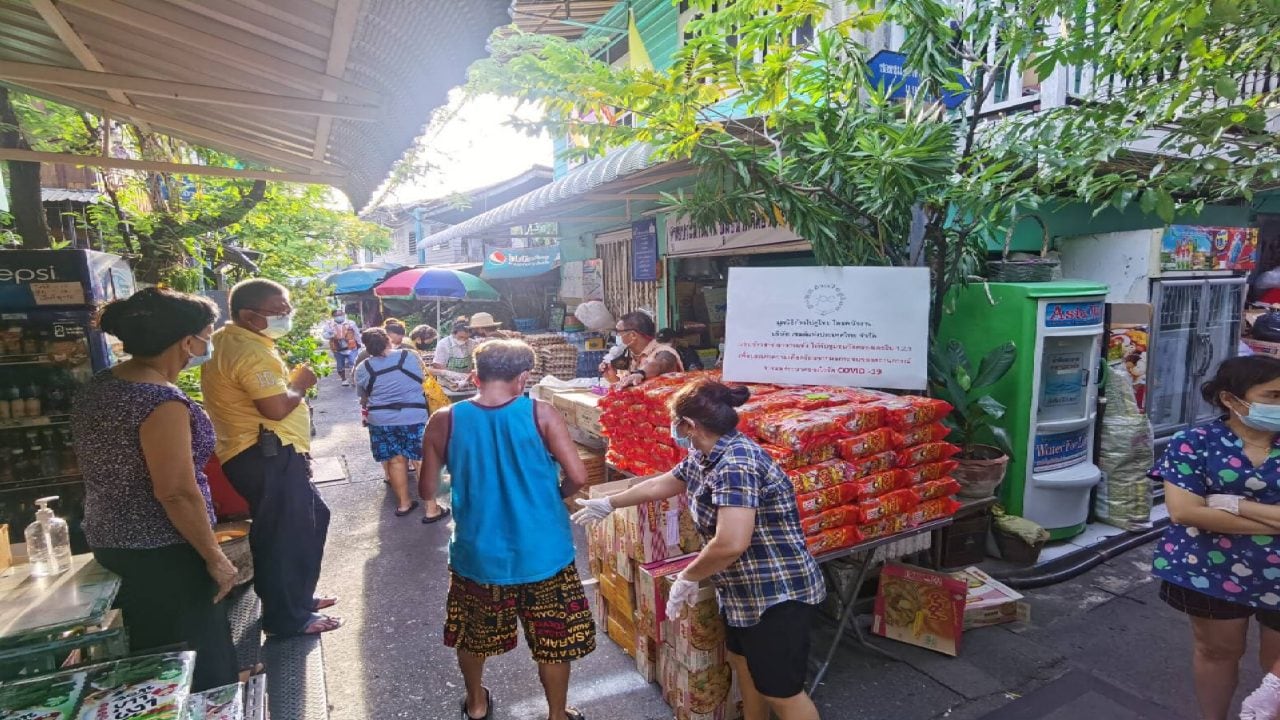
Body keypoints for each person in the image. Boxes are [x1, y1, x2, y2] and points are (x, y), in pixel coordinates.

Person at [573, 379, 825, 720]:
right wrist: (610, 502)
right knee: (745, 668)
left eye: (675, 422)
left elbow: (731, 542)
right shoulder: (707, 455)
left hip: (776, 594)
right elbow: (663, 483)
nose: (672, 429)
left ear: (689, 425)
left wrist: (688, 577)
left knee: (782, 693)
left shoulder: (736, 464)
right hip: (742, 592)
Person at [72, 287, 238, 691]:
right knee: (196, 658)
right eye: (207, 335)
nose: (207, 344)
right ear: (186, 341)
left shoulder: (101, 385)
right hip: (164, 547)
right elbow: (176, 492)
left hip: (112, 536)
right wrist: (214, 556)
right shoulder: (160, 402)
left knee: (156, 651)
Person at [419, 339, 592, 720]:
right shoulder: (540, 414)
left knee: (472, 634)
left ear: (474, 375)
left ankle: (477, 704)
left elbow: (428, 489)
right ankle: (558, 714)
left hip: (478, 554)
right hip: (545, 552)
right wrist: (554, 494)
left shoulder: (444, 419)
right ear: (523, 378)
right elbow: (578, 477)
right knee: (552, 639)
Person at [201, 279, 340, 637]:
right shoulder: (249, 350)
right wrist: (300, 383)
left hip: (265, 453)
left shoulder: (232, 341)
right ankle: (287, 619)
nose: (286, 316)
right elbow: (276, 406)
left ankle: (297, 598)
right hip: (265, 453)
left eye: (286, 309)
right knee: (285, 535)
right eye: (278, 312)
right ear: (248, 315)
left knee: (309, 520)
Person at [1150, 355, 1280, 720]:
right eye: (1272, 395)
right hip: (1208, 569)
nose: (1279, 404)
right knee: (1217, 652)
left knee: (1276, 669)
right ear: (1231, 399)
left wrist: (1234, 505)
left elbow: (1201, 509)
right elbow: (1185, 511)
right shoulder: (1194, 442)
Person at [354, 327, 448, 521]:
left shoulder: (363, 368)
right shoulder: (409, 356)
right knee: (420, 460)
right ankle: (431, 509)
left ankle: (404, 504)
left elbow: (363, 398)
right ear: (388, 340)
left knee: (395, 461)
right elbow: (423, 380)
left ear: (367, 346)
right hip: (413, 417)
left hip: (381, 421)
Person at [602, 310, 684, 389]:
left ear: (632, 335)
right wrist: (612, 378)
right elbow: (633, 387)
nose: (617, 335)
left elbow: (660, 364)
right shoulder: (631, 355)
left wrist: (640, 373)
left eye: (618, 332)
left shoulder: (664, 351)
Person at [323, 308, 362, 387]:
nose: (339, 317)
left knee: (353, 362)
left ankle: (353, 379)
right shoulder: (329, 325)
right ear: (333, 316)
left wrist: (359, 343)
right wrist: (331, 334)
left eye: (340, 315)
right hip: (337, 349)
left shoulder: (351, 323)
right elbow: (324, 336)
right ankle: (344, 379)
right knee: (340, 365)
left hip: (351, 347)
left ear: (343, 315)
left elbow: (357, 334)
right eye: (336, 315)